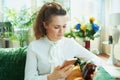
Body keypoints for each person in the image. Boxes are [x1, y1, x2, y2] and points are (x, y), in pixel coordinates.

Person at [24, 2, 103, 80]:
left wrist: (91, 68)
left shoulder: (70, 43)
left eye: (64, 26)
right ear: (45, 25)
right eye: (56, 27)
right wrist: (51, 77)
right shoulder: (34, 46)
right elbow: (28, 78)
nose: (61, 31)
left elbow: (96, 60)